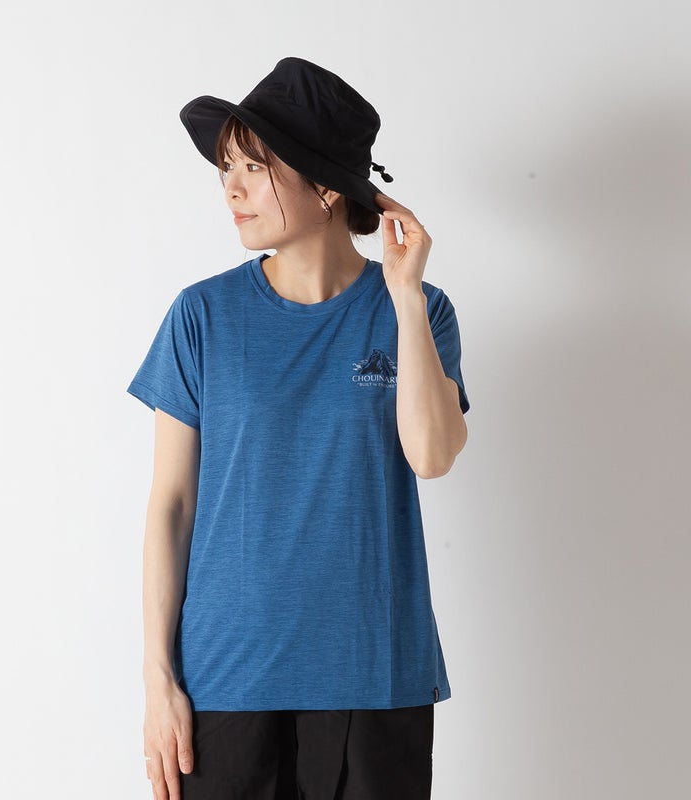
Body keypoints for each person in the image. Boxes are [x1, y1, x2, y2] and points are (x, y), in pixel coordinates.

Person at [127, 56, 470, 800]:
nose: (231, 189)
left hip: (374, 676)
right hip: (225, 680)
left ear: (326, 186)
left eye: (254, 167)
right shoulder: (202, 316)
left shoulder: (421, 310)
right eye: (227, 169)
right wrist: (158, 679)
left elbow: (432, 455)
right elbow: (171, 506)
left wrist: (405, 297)